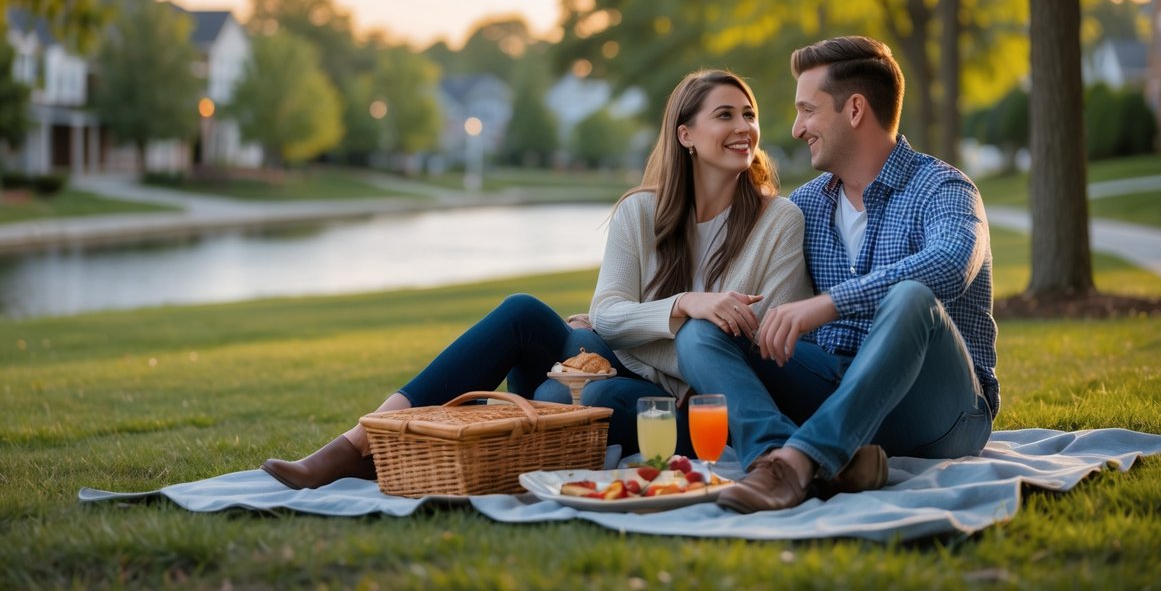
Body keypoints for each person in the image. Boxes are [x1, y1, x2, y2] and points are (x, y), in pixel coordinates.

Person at [261, 69, 810, 489]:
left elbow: (765, 342)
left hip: (696, 402)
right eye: (726, 116)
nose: (744, 129)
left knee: (557, 391)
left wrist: (632, 326)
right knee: (522, 311)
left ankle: (465, 433)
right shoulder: (640, 213)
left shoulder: (778, 220)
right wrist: (682, 304)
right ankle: (361, 442)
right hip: (618, 357)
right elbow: (611, 311)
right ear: (686, 135)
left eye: (749, 114)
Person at [676, 36, 998, 513]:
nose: (796, 127)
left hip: (942, 411)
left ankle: (802, 460)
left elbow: (950, 264)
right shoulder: (805, 205)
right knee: (703, 330)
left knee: (911, 297)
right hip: (837, 390)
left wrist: (831, 303)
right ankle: (776, 461)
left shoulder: (944, 189)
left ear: (854, 110)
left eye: (808, 110)